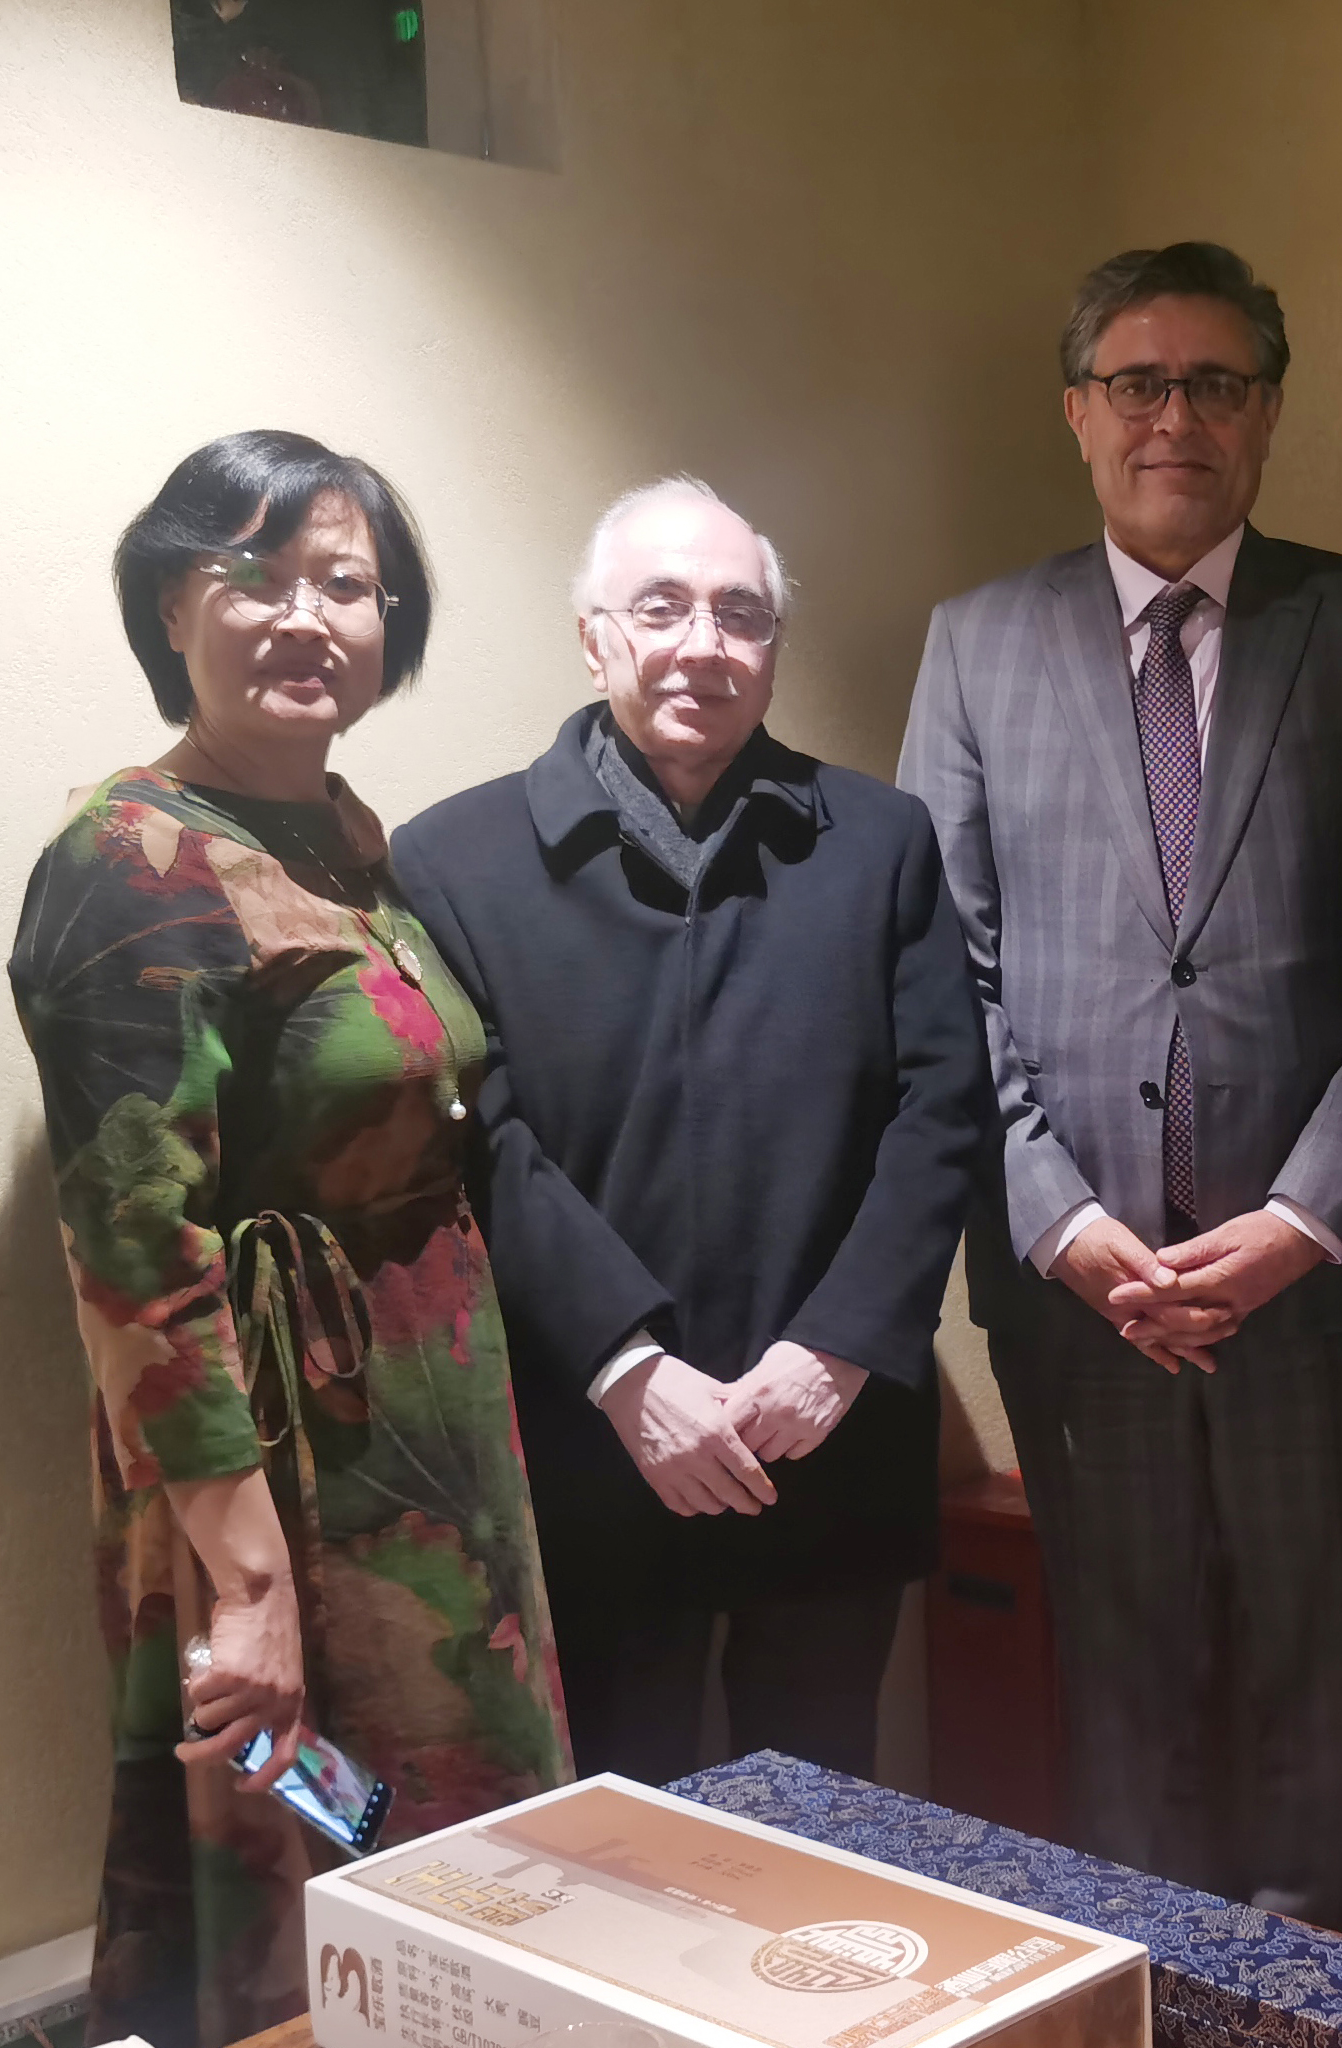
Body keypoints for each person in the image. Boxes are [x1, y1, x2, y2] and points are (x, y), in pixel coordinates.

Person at [897, 241, 1342, 1929]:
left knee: (1326, 1695)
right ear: (1078, 411)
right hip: (1082, 1296)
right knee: (1123, 1691)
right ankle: (1144, 1992)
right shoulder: (976, 643)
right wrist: (1061, 1222)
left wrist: (1304, 1218)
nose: (1176, 418)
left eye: (1217, 383)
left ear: (1268, 413)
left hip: (1309, 1291)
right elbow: (945, 972)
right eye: (1138, 383)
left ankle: (1312, 2009)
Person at [8, 432, 572, 2048]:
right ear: (169, 606)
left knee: (439, 1856)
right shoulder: (127, 863)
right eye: (253, 576)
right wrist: (249, 1585)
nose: (308, 615)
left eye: (348, 583)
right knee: (307, 1830)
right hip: (277, 1476)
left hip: (421, 1458)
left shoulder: (338, 839)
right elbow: (134, 1252)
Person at [393, 477, 985, 1786]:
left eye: (740, 613)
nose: (702, 645)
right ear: (592, 637)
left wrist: (835, 1349)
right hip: (595, 1436)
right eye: (659, 607)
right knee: (613, 1824)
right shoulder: (452, 861)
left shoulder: (880, 842)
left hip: (827, 1427)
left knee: (820, 1809)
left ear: (773, 645)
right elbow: (482, 1137)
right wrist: (626, 1366)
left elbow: (942, 1107)